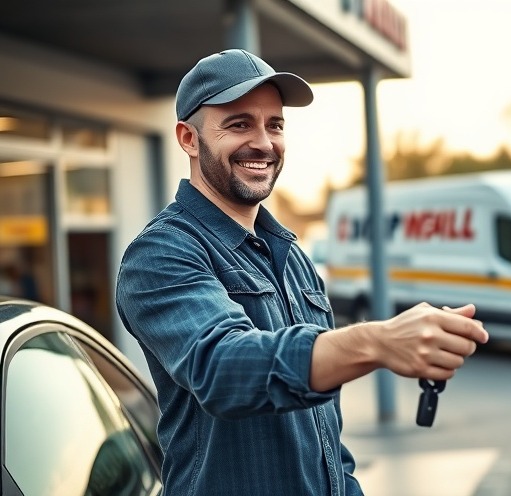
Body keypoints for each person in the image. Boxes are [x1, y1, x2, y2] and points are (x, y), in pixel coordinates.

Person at [115, 49, 489, 495]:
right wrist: (377, 341)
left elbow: (327, 438)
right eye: (239, 124)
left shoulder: (293, 258)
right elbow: (222, 367)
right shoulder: (160, 253)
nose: (264, 143)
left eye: (275, 124)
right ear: (188, 139)